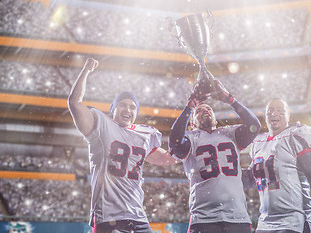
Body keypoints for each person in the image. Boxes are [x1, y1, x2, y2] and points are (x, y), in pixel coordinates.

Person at [68, 58, 177, 233]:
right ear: (113, 109)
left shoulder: (143, 134)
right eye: (123, 105)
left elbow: (166, 158)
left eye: (133, 107)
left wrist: (192, 144)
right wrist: (86, 70)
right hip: (108, 216)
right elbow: (74, 103)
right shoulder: (101, 126)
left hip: (137, 216)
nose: (128, 110)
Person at [168, 79, 261, 233]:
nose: (206, 111)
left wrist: (230, 99)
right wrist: (191, 105)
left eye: (210, 110)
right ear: (192, 123)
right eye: (199, 111)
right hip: (204, 219)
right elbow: (175, 143)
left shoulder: (230, 134)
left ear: (216, 120)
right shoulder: (191, 138)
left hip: (237, 218)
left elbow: (254, 125)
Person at [247, 98, 311, 233]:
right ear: (265, 116)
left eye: (280, 110)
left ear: (288, 115)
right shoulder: (258, 143)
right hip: (265, 221)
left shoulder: (296, 134)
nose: (274, 113)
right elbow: (250, 179)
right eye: (270, 110)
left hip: (293, 220)